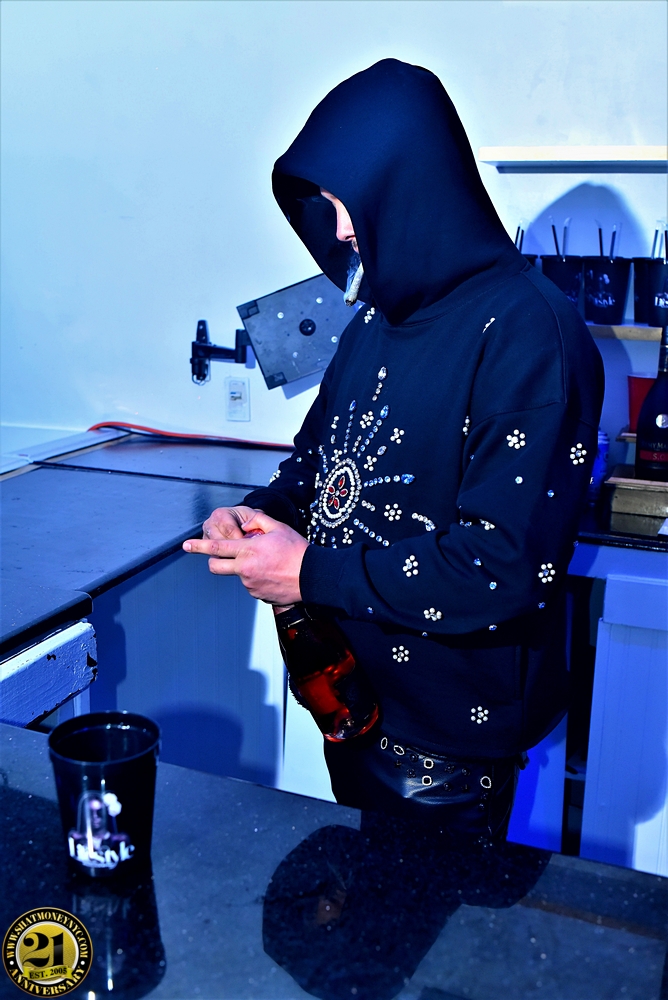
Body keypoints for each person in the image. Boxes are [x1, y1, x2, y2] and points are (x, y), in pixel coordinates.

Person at [183, 58, 604, 840]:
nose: (341, 228)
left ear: (414, 186)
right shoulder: (374, 318)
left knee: (427, 923)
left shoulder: (531, 331)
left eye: (352, 201)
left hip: (446, 752)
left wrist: (306, 571)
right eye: (332, 206)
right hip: (347, 699)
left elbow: (501, 567)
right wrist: (257, 517)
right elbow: (316, 467)